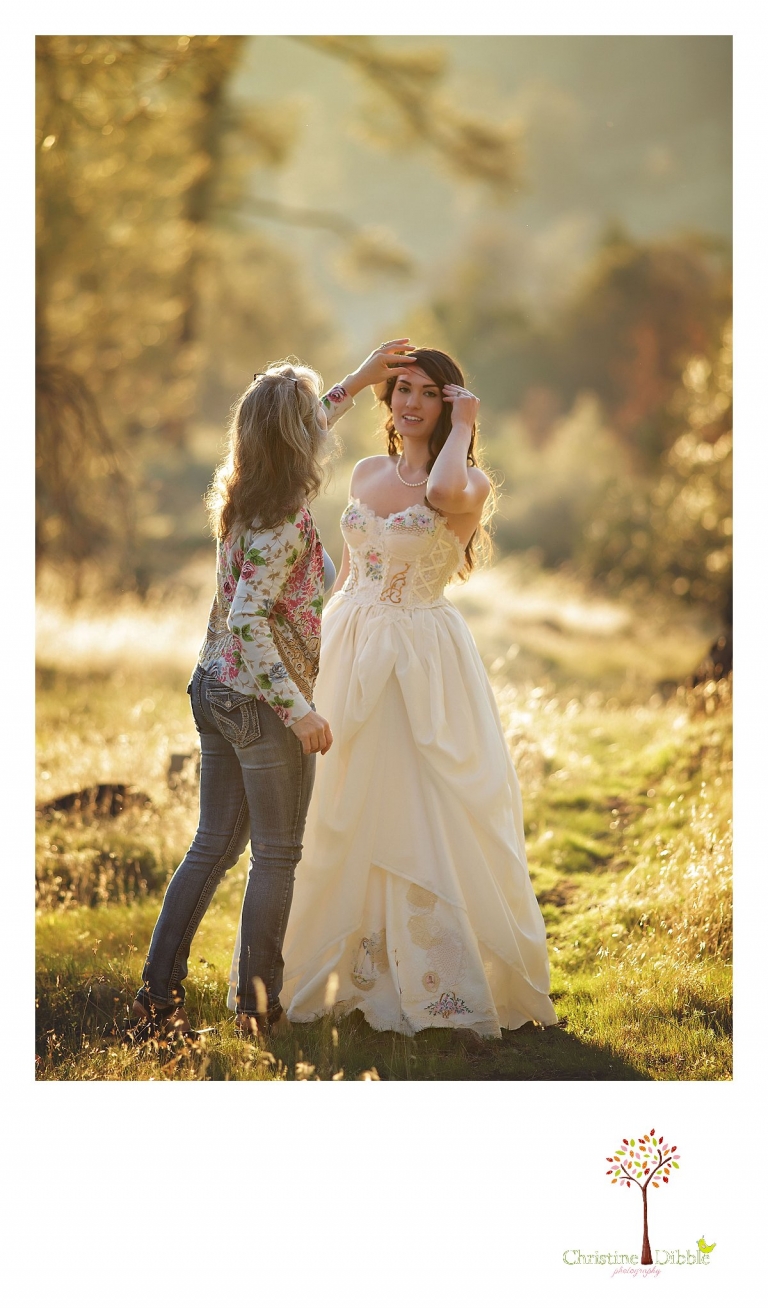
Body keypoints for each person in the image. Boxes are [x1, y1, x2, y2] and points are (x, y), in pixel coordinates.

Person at [229, 346, 558, 1039]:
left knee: (419, 797)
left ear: (451, 404)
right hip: (353, 643)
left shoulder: (465, 482)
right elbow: (346, 576)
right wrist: (318, 656)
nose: (409, 403)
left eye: (429, 394)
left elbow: (437, 495)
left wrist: (463, 426)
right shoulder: (366, 472)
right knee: (346, 800)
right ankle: (347, 968)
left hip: (420, 654)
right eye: (401, 389)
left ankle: (436, 986)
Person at [129, 344, 416, 1041]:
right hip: (260, 702)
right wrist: (301, 710)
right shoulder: (284, 516)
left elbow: (302, 422)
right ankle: (258, 1009)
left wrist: (357, 380)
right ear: (292, 440)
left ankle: (157, 999)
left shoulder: (239, 486)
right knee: (277, 855)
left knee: (211, 847)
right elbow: (252, 620)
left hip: (212, 686)